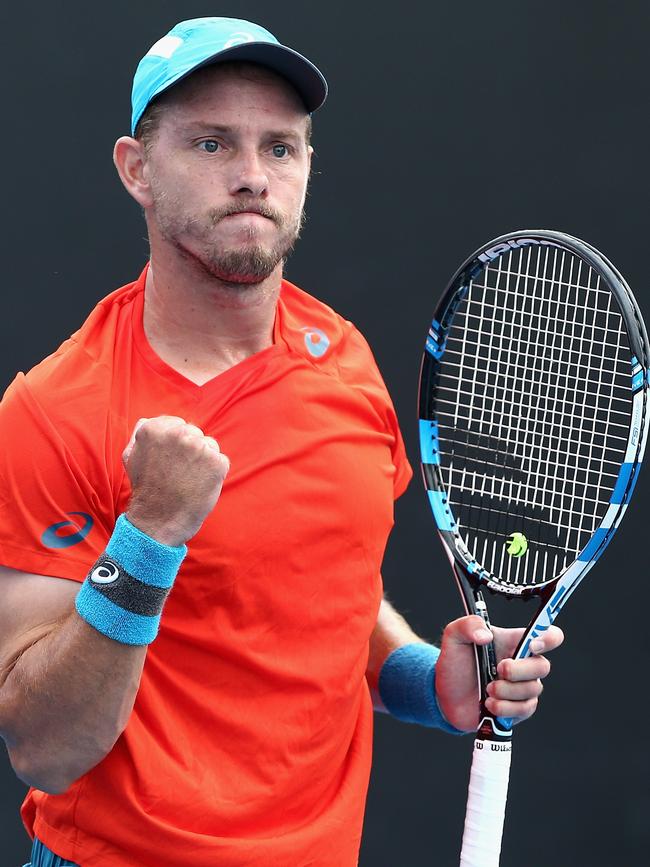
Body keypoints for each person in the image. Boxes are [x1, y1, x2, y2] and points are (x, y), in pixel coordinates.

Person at [0, 17, 562, 867]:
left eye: (282, 148)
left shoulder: (346, 363)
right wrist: (150, 535)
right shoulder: (52, 412)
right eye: (212, 144)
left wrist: (425, 680)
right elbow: (46, 746)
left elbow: (324, 599)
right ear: (136, 169)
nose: (253, 177)